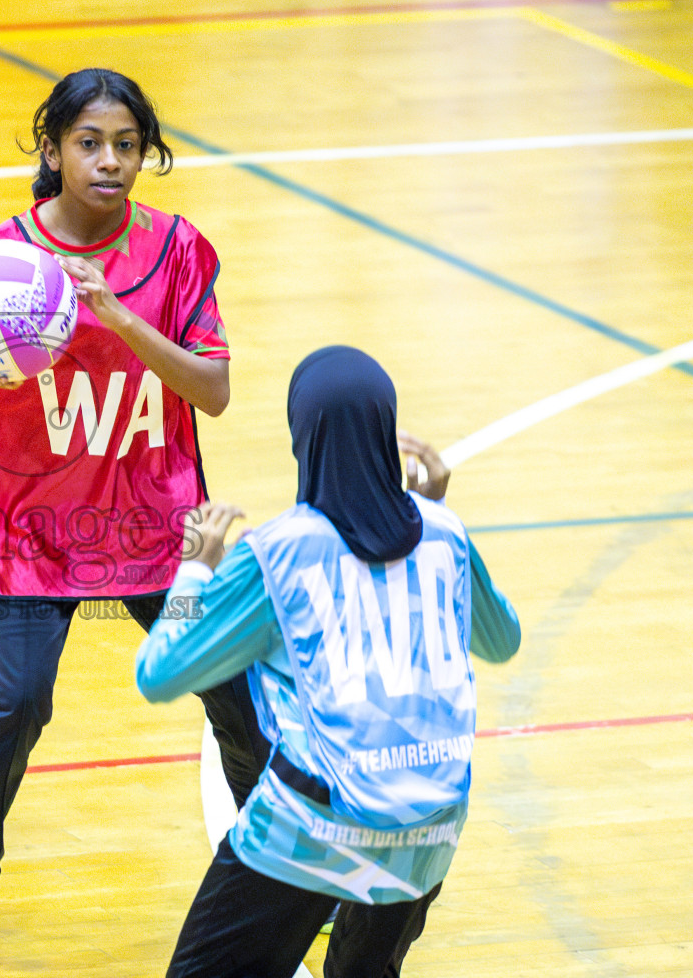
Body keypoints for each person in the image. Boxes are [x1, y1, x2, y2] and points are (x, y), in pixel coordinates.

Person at [0, 67, 242, 964]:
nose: (109, 161)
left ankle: (283, 877)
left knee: (240, 698)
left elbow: (212, 391)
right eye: (89, 143)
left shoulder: (175, 252)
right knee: (15, 705)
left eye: (127, 145)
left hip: (154, 519)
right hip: (41, 526)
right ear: (50, 150)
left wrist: (119, 319)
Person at [135, 346, 521, 978]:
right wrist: (438, 512)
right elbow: (502, 641)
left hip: (312, 824)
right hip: (429, 835)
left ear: (301, 439)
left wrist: (193, 573)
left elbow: (159, 672)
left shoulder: (280, 552)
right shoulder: (444, 533)